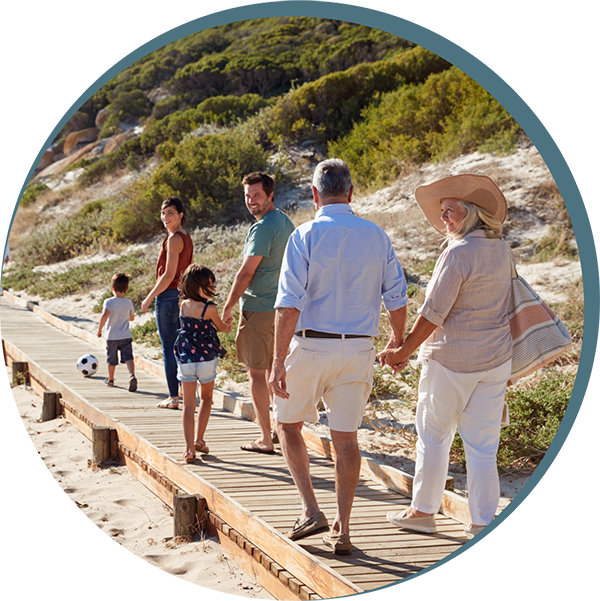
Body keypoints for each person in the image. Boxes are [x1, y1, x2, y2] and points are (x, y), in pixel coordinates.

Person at [269, 159, 408, 556]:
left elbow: (288, 305)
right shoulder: (376, 235)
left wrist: (279, 360)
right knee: (346, 439)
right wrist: (397, 341)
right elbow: (396, 297)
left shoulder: (305, 234)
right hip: (359, 347)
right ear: (351, 193)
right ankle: (344, 529)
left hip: (311, 345)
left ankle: (311, 509)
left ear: (315, 195)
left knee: (288, 424)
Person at [378, 174, 513, 540]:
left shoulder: (458, 252)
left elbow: (433, 313)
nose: (444, 220)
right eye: (442, 213)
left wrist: (402, 350)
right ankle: (483, 522)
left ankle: (422, 511)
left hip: (452, 358)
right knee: (484, 446)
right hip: (496, 359)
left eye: (450, 211)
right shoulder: (502, 249)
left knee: (434, 435)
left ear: (471, 213)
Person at [222, 172, 295, 454]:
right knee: (277, 371)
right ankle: (282, 430)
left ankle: (266, 438)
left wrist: (227, 307)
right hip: (284, 308)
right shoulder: (286, 222)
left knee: (257, 374)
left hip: (258, 308)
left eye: (257, 195)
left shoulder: (263, 227)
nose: (251, 201)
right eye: (247, 196)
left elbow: (245, 274)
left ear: (270, 195)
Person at [174, 264, 231, 464]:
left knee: (188, 405)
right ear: (200, 287)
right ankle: (199, 439)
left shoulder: (183, 305)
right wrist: (229, 323)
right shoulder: (210, 308)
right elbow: (222, 328)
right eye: (209, 285)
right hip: (206, 359)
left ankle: (189, 450)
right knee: (206, 398)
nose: (213, 288)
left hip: (186, 359)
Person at [141, 196, 193, 409]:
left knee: (169, 348)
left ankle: (173, 397)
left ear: (181, 215)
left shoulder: (173, 239)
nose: (165, 217)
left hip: (168, 296)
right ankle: (186, 394)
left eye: (170, 213)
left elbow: (169, 273)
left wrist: (149, 296)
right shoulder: (186, 236)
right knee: (181, 348)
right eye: (163, 213)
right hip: (182, 296)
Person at [97, 273, 137, 392]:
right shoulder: (128, 303)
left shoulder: (109, 302)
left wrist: (99, 329)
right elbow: (132, 318)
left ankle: (110, 379)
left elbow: (105, 315)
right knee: (128, 357)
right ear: (127, 289)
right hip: (125, 335)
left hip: (112, 336)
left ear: (112, 288)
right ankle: (132, 375)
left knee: (111, 359)